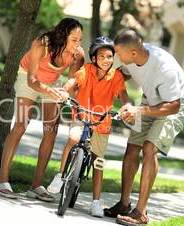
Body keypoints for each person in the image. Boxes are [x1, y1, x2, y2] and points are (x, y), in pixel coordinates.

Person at [103, 29, 184, 225]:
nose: (117, 58)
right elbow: (121, 75)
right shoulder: (133, 60)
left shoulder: (164, 67)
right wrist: (125, 100)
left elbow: (174, 105)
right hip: (150, 99)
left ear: (134, 53)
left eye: (119, 54)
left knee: (149, 148)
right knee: (131, 149)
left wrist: (139, 111)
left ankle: (141, 212)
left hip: (177, 103)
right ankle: (124, 204)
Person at [0, 18, 85, 203]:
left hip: (53, 83)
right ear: (62, 36)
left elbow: (73, 78)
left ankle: (36, 186)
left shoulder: (77, 54)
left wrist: (63, 91)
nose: (77, 44)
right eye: (74, 39)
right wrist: (51, 91)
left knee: (51, 131)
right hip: (28, 77)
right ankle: (1, 181)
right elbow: (32, 80)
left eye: (80, 39)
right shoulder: (42, 44)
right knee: (20, 125)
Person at [47, 36, 131, 217]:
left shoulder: (115, 76)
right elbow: (73, 82)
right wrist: (64, 90)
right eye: (102, 57)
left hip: (102, 122)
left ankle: (95, 202)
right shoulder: (86, 69)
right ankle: (60, 176)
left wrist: (127, 105)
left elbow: (123, 93)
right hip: (82, 115)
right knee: (73, 139)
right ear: (94, 58)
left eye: (110, 56)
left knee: (98, 162)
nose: (107, 60)